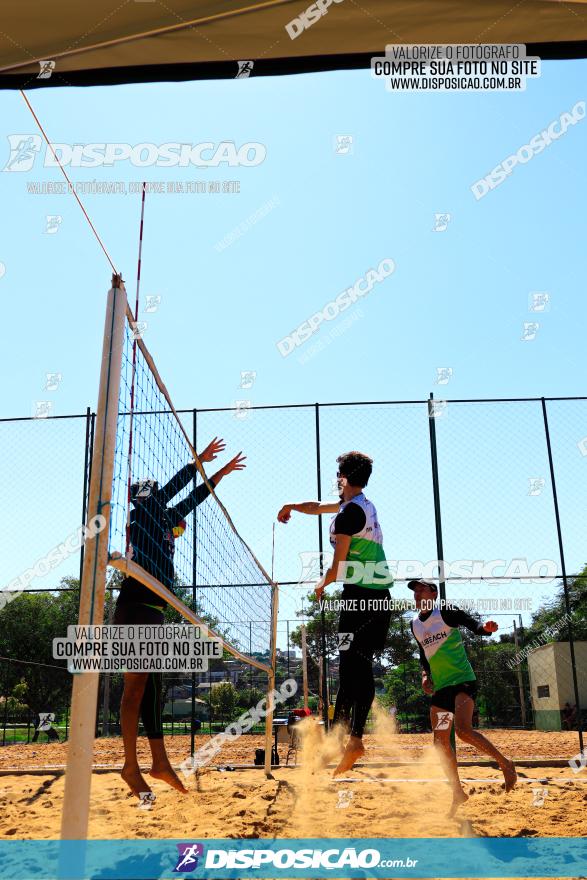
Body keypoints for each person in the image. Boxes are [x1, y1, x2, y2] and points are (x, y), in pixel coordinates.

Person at [115, 437, 246, 797]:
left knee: (151, 689)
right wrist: (196, 462)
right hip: (135, 605)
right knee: (135, 689)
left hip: (153, 608)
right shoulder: (140, 515)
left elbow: (193, 498)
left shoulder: (163, 518)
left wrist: (218, 473)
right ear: (143, 499)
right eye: (152, 493)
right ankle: (130, 766)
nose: (158, 495)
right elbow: (176, 489)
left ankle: (158, 763)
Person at [278, 450, 392, 776]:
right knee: (349, 667)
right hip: (370, 597)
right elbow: (316, 507)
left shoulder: (348, 515)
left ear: (344, 478)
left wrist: (319, 584)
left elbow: (337, 566)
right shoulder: (355, 506)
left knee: (356, 667)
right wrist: (291, 507)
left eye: (338, 475)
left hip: (362, 598)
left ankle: (352, 739)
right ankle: (340, 738)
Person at [408, 578, 517, 815]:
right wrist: (425, 675)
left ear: (433, 593)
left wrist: (486, 629)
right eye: (414, 590)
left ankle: (505, 763)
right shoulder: (414, 624)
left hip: (462, 683)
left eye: (421, 589)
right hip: (442, 690)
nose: (416, 593)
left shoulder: (446, 612)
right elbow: (423, 655)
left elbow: (473, 625)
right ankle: (457, 792)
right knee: (439, 742)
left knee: (463, 731)